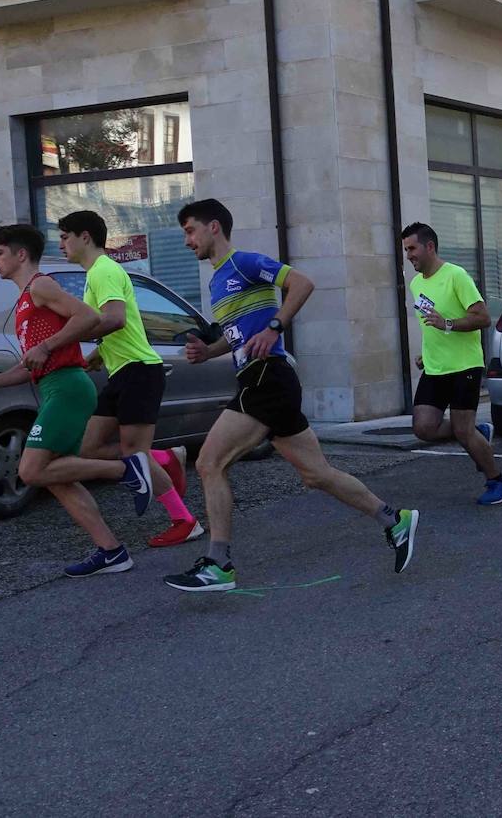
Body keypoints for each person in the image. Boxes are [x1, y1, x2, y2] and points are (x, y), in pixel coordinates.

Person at [164, 199, 419, 591]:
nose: (187, 240)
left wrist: (275, 327)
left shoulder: (243, 262)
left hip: (266, 378)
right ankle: (394, 519)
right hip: (265, 380)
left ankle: (218, 564)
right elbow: (238, 338)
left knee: (209, 463)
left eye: (190, 230)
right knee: (317, 474)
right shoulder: (217, 281)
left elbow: (302, 283)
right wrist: (208, 352)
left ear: (213, 227)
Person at [0, 224, 154, 578]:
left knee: (30, 470)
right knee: (56, 476)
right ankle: (111, 551)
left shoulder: (41, 286)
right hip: (54, 386)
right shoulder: (24, 300)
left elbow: (90, 316)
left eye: (0, 253)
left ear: (21, 255)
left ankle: (127, 469)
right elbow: (32, 365)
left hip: (67, 387)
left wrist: (47, 346)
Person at [56, 211, 201, 549]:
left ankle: (185, 521)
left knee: (135, 453)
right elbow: (119, 326)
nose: (61, 243)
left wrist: (66, 337)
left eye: (65, 237)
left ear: (85, 237)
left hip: (140, 370)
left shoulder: (104, 270)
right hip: (123, 371)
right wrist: (96, 354)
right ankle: (165, 458)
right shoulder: (97, 273)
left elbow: (116, 319)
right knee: (90, 447)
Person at [402, 221, 502, 505]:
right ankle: (476, 432)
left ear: (429, 246)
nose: (409, 255)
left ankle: (498, 481)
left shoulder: (456, 276)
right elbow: (431, 325)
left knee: (464, 431)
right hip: (435, 367)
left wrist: (448, 323)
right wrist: (426, 354)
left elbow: (482, 318)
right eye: (405, 250)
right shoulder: (416, 283)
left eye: (412, 248)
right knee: (423, 428)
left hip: (464, 366)